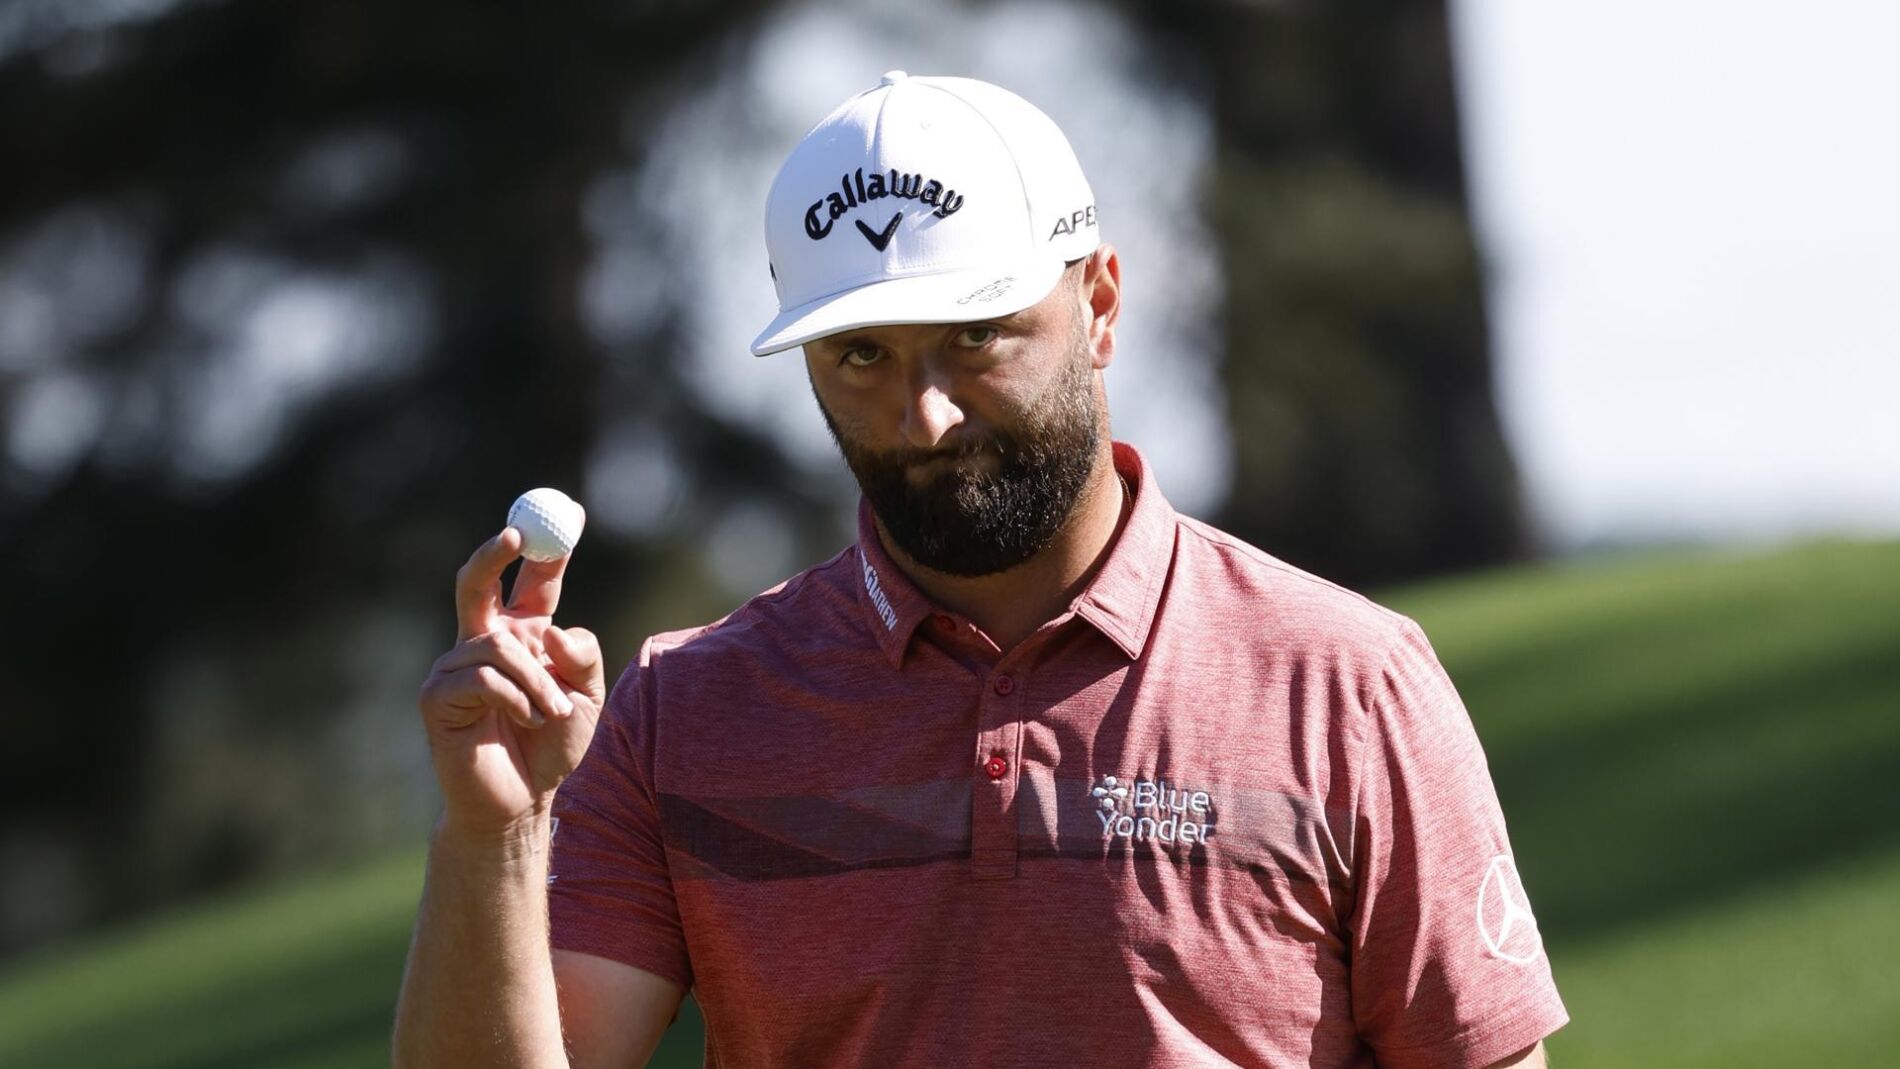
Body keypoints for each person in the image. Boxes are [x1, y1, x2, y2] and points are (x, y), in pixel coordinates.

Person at [393, 72, 1568, 1069]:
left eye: (975, 335)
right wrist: (495, 834)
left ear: (1097, 303)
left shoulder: (1347, 684)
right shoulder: (683, 711)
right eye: (861, 355)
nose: (927, 414)